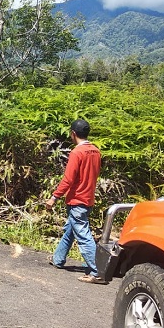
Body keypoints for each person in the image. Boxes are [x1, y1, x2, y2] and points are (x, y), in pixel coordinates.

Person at [45, 119, 105, 284]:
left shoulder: (77, 153)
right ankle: (58, 259)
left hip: (77, 199)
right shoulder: (95, 151)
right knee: (71, 230)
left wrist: (54, 197)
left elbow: (68, 179)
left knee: (83, 236)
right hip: (88, 198)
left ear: (73, 133)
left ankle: (96, 271)